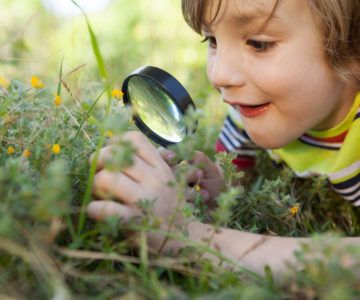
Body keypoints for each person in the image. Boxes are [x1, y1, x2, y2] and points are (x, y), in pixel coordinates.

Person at [86, 0, 360, 277]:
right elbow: (232, 183)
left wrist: (190, 239)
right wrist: (214, 194)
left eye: (259, 43)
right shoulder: (249, 111)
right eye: (212, 40)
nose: (220, 76)